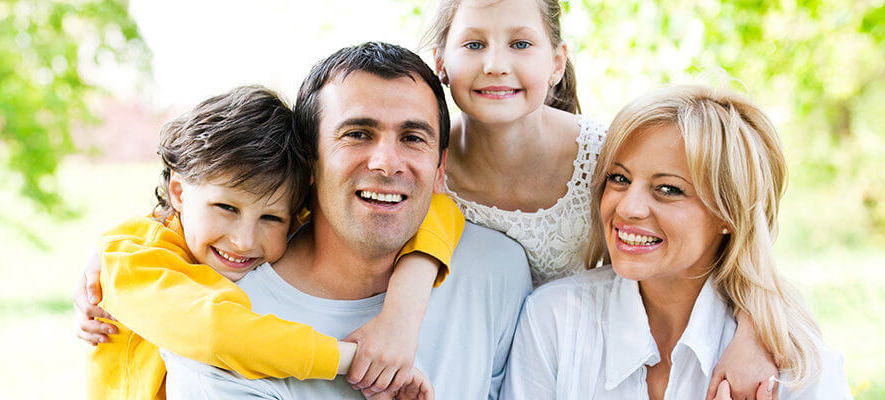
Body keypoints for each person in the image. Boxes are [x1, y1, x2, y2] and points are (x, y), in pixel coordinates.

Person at [423, 0, 777, 394]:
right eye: (473, 44)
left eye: (520, 44)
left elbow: (739, 245)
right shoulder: (422, 166)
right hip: (463, 367)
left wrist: (753, 333)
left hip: (583, 368)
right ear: (440, 61)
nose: (495, 64)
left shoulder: (609, 160)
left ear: (557, 63)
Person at [161, 41, 531, 399]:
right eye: (357, 134)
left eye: (413, 137)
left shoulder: (498, 269)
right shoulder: (223, 330)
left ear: (440, 167)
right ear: (309, 160)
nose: (387, 163)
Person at [85, 84, 462, 399]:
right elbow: (219, 333)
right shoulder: (133, 259)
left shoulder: (290, 217)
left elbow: (440, 209)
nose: (244, 240)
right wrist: (360, 360)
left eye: (269, 218)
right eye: (226, 208)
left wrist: (401, 311)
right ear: (179, 193)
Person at [500, 85, 852, 399]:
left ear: (728, 215)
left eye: (668, 189)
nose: (628, 207)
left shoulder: (798, 366)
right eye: (619, 178)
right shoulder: (553, 320)